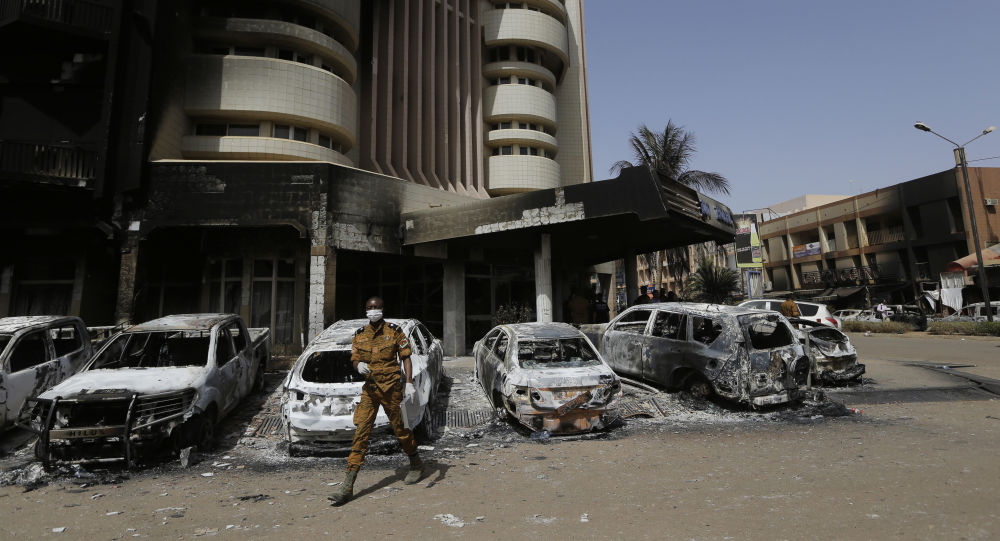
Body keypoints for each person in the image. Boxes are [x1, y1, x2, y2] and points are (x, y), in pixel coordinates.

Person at [329, 296, 423, 505]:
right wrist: (357, 366)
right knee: (360, 434)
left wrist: (409, 382)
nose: (372, 310)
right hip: (370, 391)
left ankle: (416, 463)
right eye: (369, 308)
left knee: (402, 430)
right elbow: (354, 357)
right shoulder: (360, 334)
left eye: (375, 307)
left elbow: (406, 356)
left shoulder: (394, 330)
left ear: (382, 309)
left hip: (392, 390)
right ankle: (347, 486)